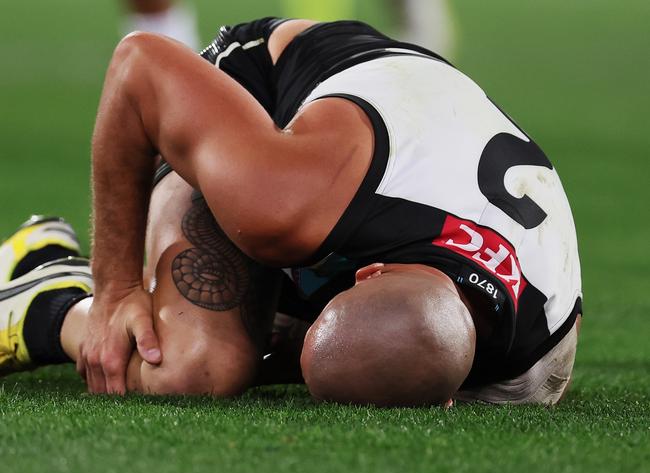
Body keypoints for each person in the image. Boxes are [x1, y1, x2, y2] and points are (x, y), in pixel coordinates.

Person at [0, 17, 582, 406]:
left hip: (391, 147)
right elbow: (140, 65)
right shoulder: (285, 203)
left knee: (298, 348)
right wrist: (116, 287)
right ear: (364, 275)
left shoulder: (536, 360)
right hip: (267, 107)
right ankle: (49, 297)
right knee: (192, 368)